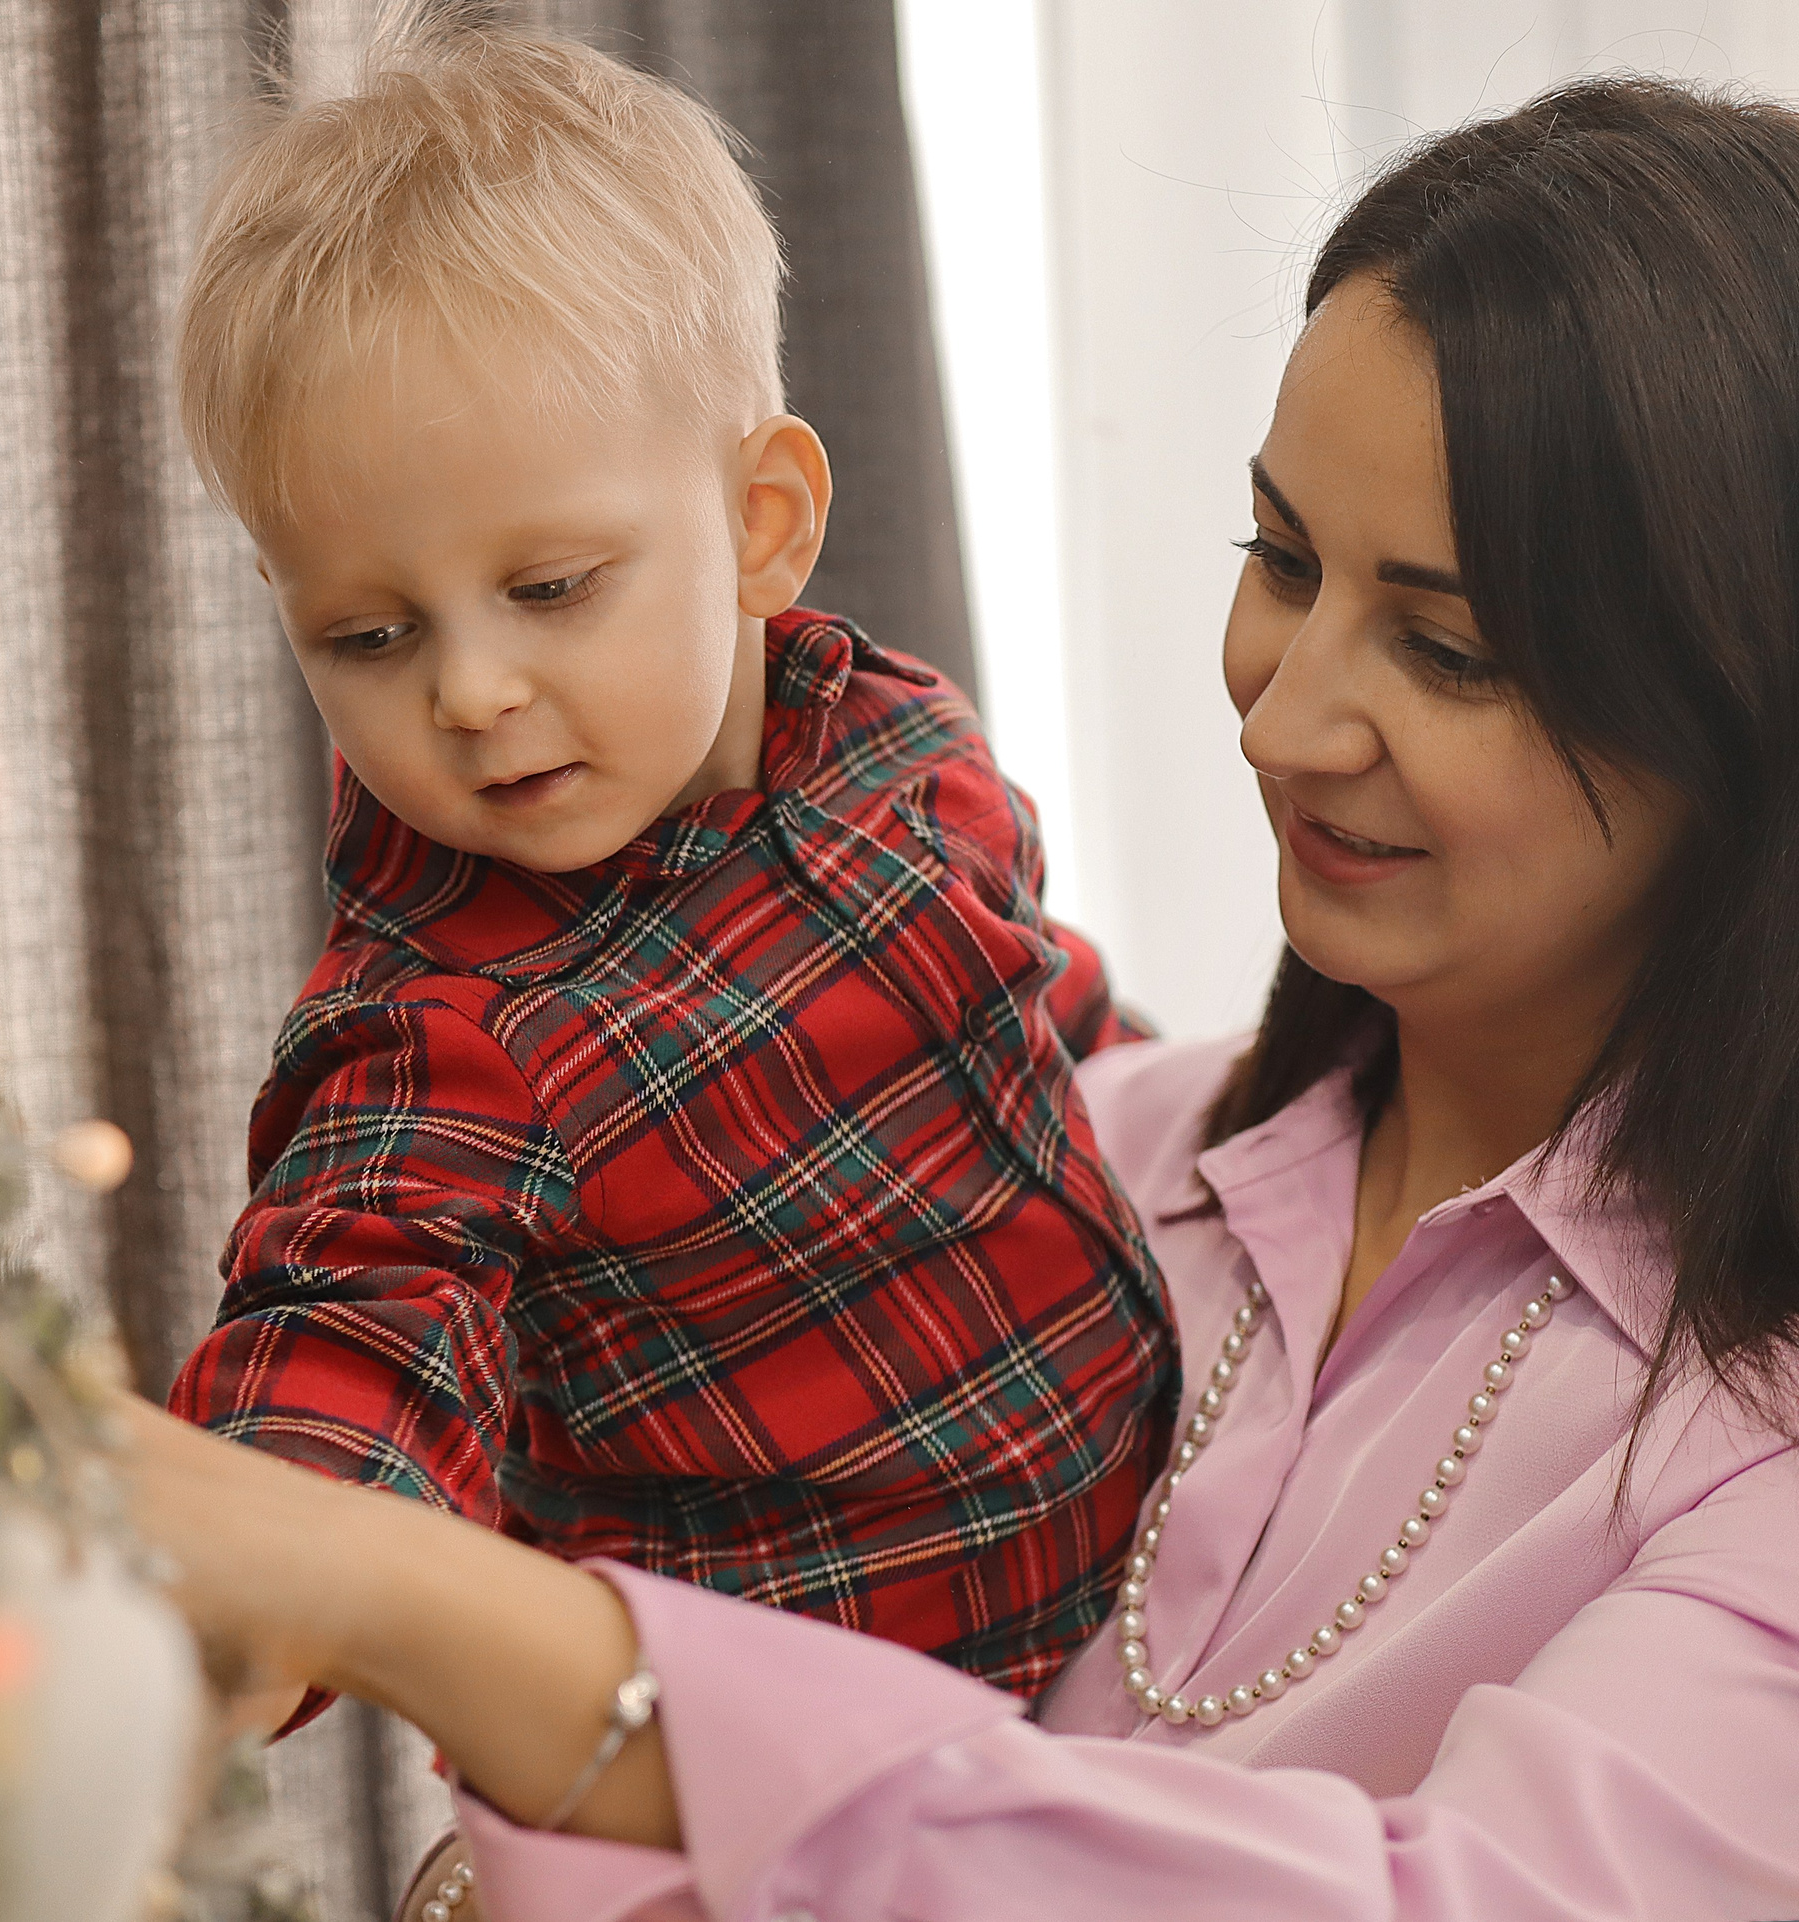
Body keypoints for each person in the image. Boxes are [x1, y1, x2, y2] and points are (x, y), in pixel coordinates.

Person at [126, 74, 1799, 1920]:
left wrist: (474, 1635)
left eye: (1450, 645)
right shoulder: (1110, 1140)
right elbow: (352, 1316)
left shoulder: (1755, 1451)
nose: (1284, 710)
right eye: (1281, 560)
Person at [163, 0, 1173, 1738]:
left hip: (1150, 1604)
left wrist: (1169, 1092)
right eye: (372, 632)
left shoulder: (895, 740)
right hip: (806, 1774)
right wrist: (238, 1607)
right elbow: (353, 1322)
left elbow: (1021, 992)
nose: (470, 690)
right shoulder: (447, 1032)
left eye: (550, 587)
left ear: (764, 522)